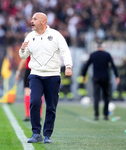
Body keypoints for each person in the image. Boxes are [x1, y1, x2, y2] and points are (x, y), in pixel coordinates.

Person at [19, 12, 73, 143]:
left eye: (35, 19)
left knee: (51, 107)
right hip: (36, 74)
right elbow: (23, 56)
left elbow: (65, 50)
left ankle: (47, 135)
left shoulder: (55, 35)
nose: (31, 21)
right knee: (35, 102)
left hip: (53, 75)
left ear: (43, 22)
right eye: (32, 18)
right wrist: (22, 49)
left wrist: (68, 66)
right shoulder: (30, 36)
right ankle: (36, 133)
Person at [82, 41, 120, 121]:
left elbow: (86, 66)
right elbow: (113, 66)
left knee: (96, 96)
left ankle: (96, 115)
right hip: (105, 78)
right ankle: (105, 115)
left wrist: (83, 76)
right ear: (103, 46)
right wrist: (117, 76)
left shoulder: (93, 55)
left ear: (96, 47)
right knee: (106, 96)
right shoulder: (107, 55)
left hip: (96, 78)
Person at [15, 56, 43, 121]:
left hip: (29, 70)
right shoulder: (42, 46)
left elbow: (23, 61)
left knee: (27, 92)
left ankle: (28, 114)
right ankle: (39, 114)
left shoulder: (28, 46)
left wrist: (18, 72)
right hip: (40, 70)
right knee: (39, 92)